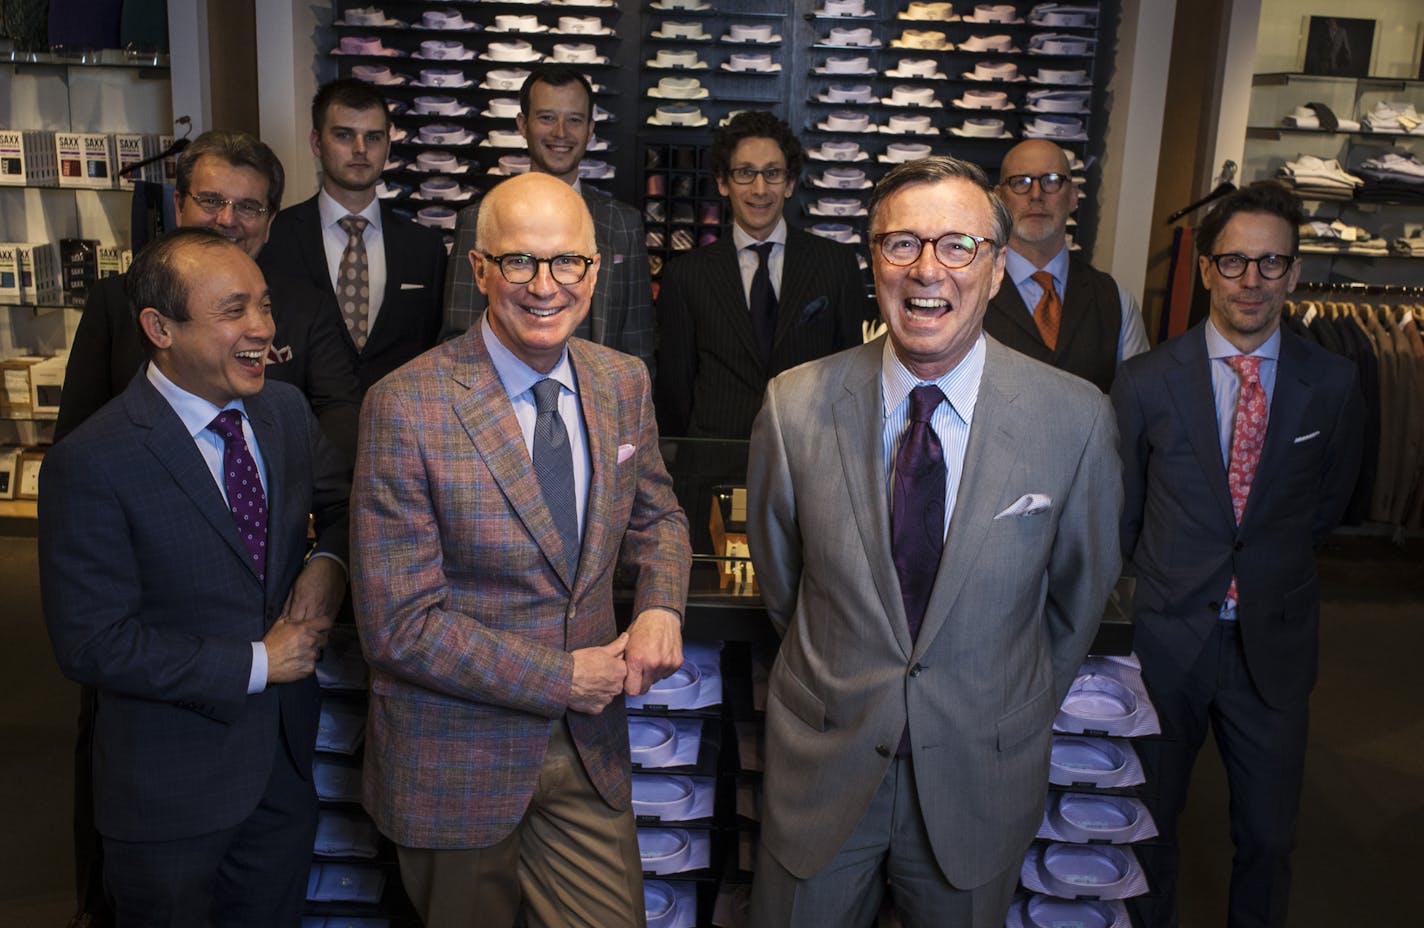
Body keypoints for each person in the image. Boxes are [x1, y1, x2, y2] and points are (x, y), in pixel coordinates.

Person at [745, 156, 1122, 927]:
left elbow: (1076, 604)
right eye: (901, 243)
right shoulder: (793, 406)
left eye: (958, 246)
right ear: (873, 261)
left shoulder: (1074, 419)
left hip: (980, 776)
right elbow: (785, 587)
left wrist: (994, 704)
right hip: (825, 766)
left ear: (995, 269)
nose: (927, 270)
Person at [351, 173, 691, 927]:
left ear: (596, 271)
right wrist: (563, 677)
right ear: (479, 270)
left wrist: (663, 602)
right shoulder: (406, 407)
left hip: (586, 752)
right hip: (457, 760)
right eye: (519, 263)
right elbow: (399, 625)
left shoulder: (621, 382)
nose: (545, 286)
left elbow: (659, 517)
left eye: (566, 262)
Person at [51, 128, 360, 928]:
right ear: (159, 328)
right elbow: (91, 642)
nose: (262, 328)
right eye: (234, 312)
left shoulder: (284, 413)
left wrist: (326, 566)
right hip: (169, 795)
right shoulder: (96, 459)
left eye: (261, 304)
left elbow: (341, 506)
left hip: (281, 780)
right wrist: (259, 662)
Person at [1112, 181, 1364, 928]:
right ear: (1206, 270)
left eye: (1270, 262)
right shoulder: (1146, 381)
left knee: (1268, 837)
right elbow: (1123, 515)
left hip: (1273, 644)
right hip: (1166, 642)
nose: (1251, 281)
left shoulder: (1337, 383)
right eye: (1234, 263)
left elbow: (1331, 505)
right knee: (1145, 827)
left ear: (1292, 271)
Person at [57, 129, 361, 458]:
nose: (226, 219)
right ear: (179, 204)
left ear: (270, 221)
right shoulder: (118, 300)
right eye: (212, 200)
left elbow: (339, 420)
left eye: (248, 207)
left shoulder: (307, 307)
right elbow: (78, 438)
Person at [655, 109, 873, 438]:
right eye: (745, 173)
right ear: (723, 182)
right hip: (715, 463)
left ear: (788, 183)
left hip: (809, 454)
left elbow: (850, 378)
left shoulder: (837, 264)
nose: (759, 189)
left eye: (772, 173)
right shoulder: (685, 276)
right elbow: (675, 390)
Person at [442, 66, 655, 369]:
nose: (561, 132)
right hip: (502, 405)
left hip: (595, 408)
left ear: (590, 130)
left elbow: (638, 347)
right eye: (547, 118)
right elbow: (458, 340)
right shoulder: (479, 218)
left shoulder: (623, 223)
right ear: (523, 125)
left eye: (574, 120)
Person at [260, 77, 446, 393]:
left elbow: (435, 347)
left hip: (399, 428)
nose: (360, 149)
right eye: (344, 135)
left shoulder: (424, 248)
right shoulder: (274, 237)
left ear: (388, 144)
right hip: (303, 428)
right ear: (317, 142)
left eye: (373, 137)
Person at [985, 139, 1149, 392]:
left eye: (1051, 181)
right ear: (999, 199)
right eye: (1020, 182)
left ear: (1073, 197)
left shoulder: (1115, 301)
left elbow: (1137, 405)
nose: (1036, 195)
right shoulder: (971, 290)